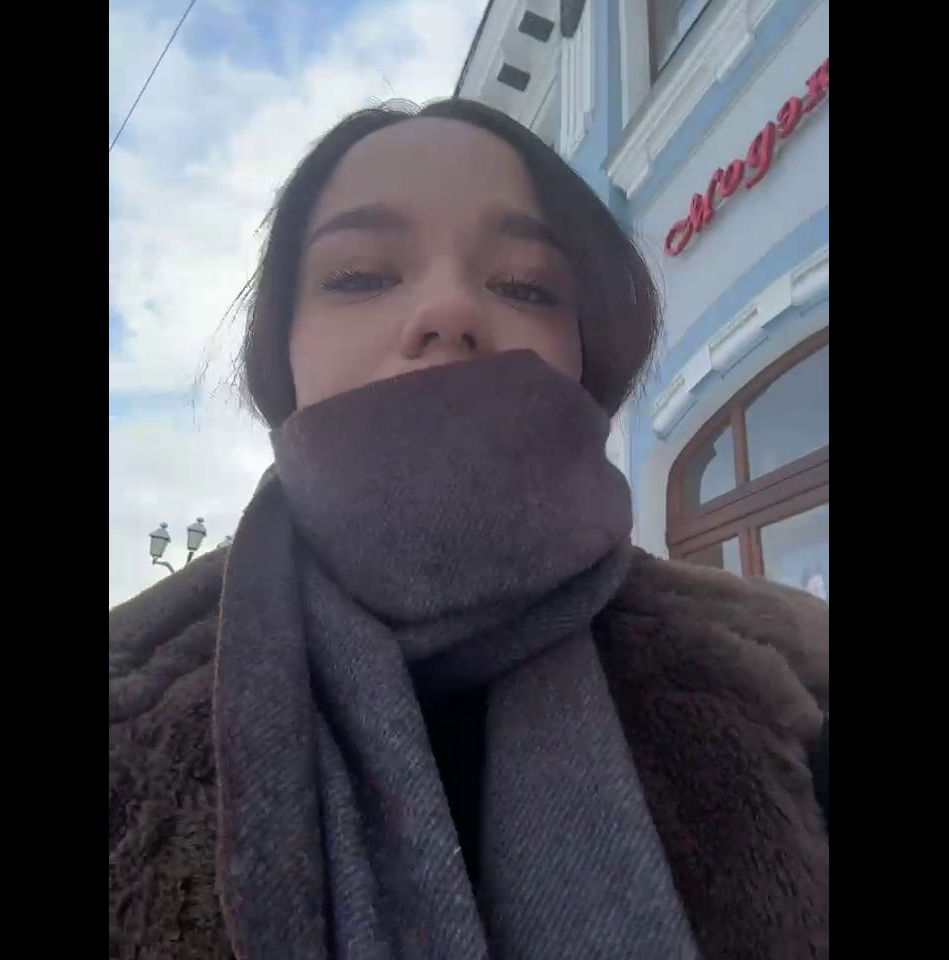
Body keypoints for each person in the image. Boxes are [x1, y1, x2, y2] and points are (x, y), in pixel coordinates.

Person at [109, 99, 829, 960]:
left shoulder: (797, 683)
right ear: (281, 355)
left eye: (524, 286)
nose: (449, 308)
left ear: (587, 355)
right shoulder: (128, 699)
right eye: (361, 275)